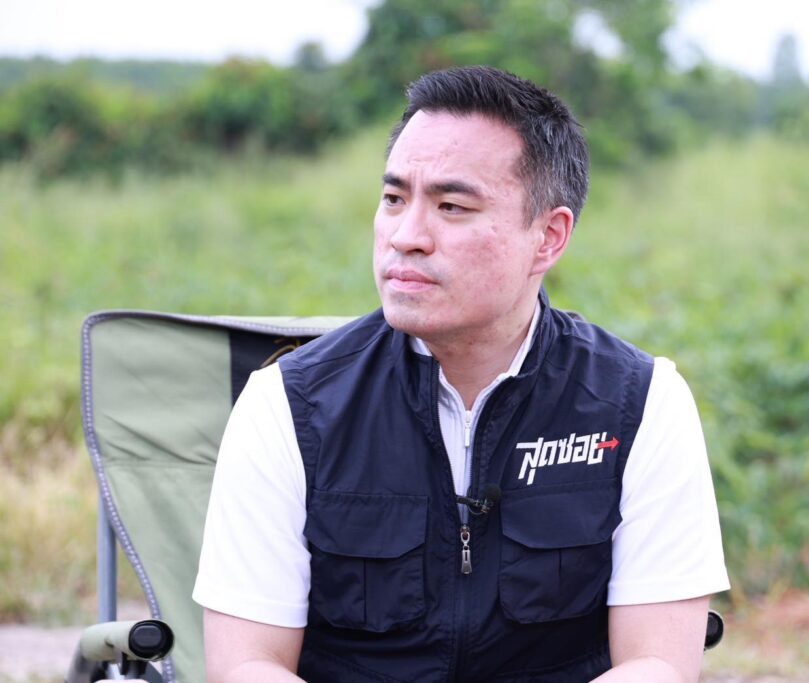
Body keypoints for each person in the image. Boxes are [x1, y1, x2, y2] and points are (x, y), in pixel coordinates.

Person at [193, 65, 729, 683]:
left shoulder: (640, 403)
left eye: (451, 206)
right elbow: (246, 665)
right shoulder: (286, 407)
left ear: (549, 237)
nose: (406, 237)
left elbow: (658, 662)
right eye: (394, 199)